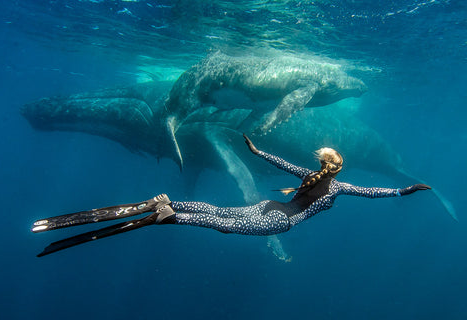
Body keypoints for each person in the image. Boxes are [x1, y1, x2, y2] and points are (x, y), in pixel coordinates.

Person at [32, 134, 431, 257]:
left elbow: (278, 163)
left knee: (222, 212)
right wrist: (403, 189)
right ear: (341, 170)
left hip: (267, 205)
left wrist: (256, 151)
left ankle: (168, 203)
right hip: (281, 220)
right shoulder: (340, 186)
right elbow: (374, 192)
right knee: (221, 224)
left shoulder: (309, 174)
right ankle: (170, 216)